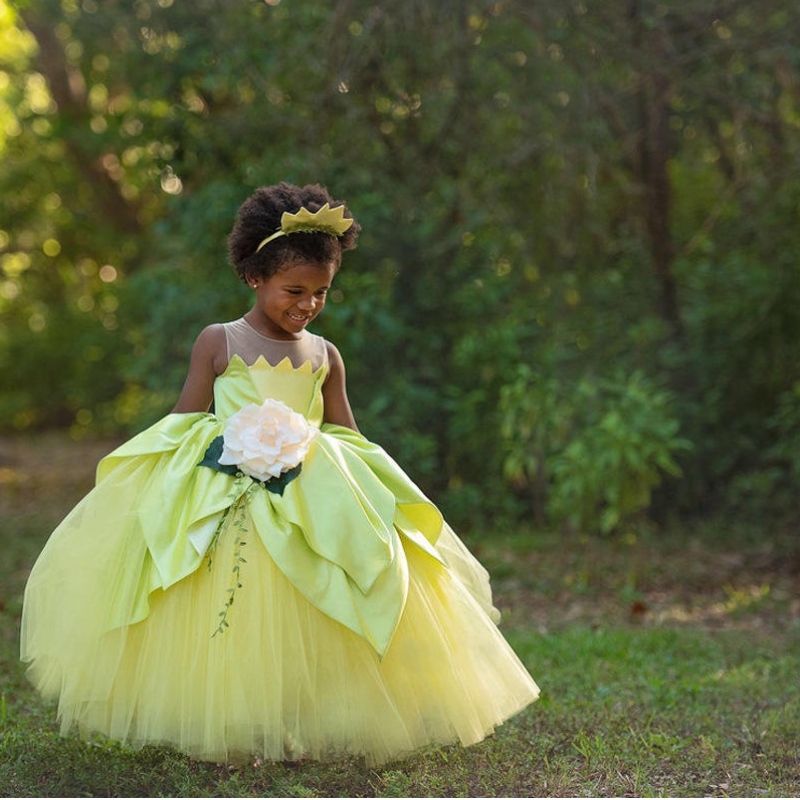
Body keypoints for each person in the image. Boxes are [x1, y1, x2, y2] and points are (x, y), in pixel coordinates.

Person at [20, 182, 539, 766]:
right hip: (231, 489)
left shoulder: (325, 355)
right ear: (254, 278)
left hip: (312, 491)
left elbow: (345, 432)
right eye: (295, 290)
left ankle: (300, 719)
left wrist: (368, 482)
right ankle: (235, 729)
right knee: (235, 607)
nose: (308, 304)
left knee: (316, 600)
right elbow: (186, 417)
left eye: (321, 292)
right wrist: (169, 466)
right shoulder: (220, 342)